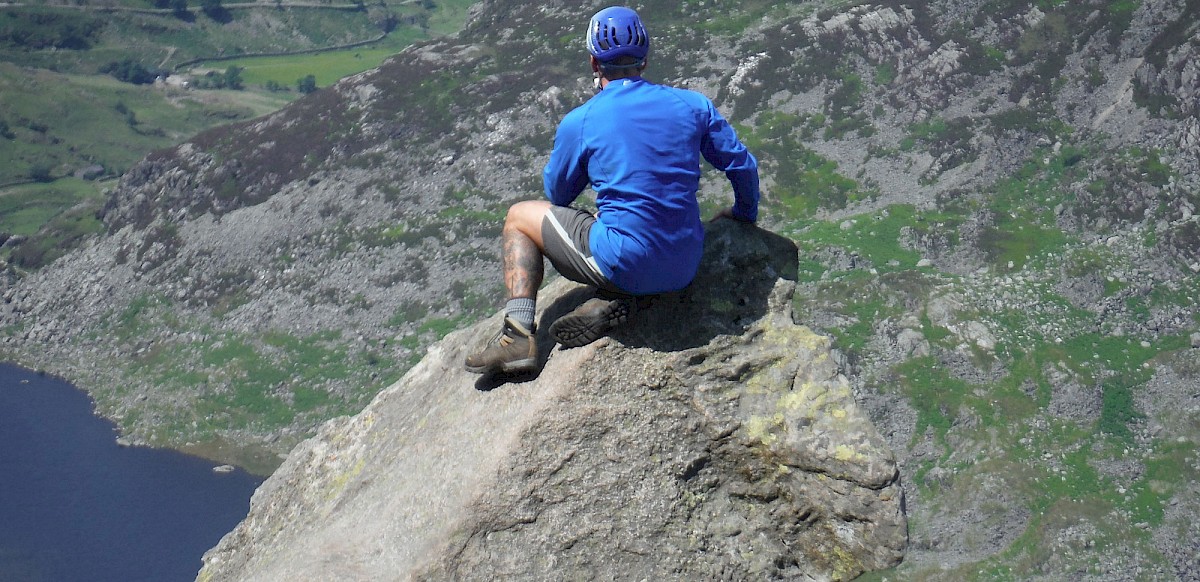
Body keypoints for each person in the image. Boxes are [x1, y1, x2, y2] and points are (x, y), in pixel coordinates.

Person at [465, 5, 760, 375]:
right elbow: (742, 165)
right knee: (628, 236)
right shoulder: (693, 105)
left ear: (593, 63)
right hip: (686, 264)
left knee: (519, 217)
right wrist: (744, 215)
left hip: (628, 260)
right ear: (645, 58)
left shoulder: (583, 120)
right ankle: (616, 300)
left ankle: (517, 337)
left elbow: (557, 195)